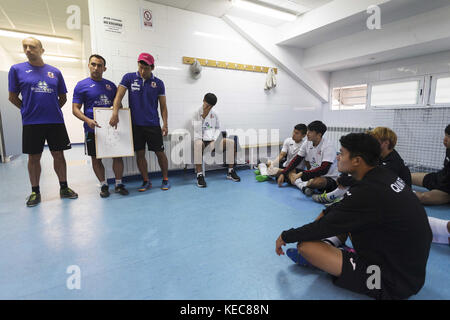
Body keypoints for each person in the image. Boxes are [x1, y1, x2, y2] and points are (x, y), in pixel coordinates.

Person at [275, 133, 432, 300]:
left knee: (306, 247)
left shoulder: (367, 192)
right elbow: (339, 212)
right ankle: (337, 250)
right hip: (407, 269)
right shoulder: (383, 175)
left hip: (389, 282)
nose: (338, 157)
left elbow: (324, 227)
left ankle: (332, 257)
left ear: (357, 160)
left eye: (342, 153)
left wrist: (286, 236)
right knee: (332, 213)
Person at [8, 37, 78, 207]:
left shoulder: (55, 72)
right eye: (25, 47)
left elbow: (63, 98)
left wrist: (52, 108)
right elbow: (12, 97)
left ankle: (64, 187)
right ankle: (35, 191)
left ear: (41, 50)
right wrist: (26, 110)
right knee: (34, 157)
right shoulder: (16, 70)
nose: (27, 50)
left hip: (55, 121)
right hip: (32, 123)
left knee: (59, 155)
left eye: (32, 47)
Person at [109, 53, 170, 191]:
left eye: (146, 68)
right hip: (135, 125)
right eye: (140, 67)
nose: (142, 71)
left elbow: (163, 106)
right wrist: (115, 113)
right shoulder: (129, 78)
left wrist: (165, 124)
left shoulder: (159, 83)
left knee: (160, 152)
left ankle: (165, 179)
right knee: (140, 154)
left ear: (152, 67)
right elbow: (119, 96)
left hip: (153, 124)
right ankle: (146, 181)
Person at [72, 54, 128, 198]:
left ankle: (119, 183)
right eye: (93, 64)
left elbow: (119, 106)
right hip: (92, 129)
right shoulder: (81, 85)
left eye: (99, 65)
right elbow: (75, 109)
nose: (96, 68)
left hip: (111, 127)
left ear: (104, 68)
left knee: (117, 156)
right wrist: (87, 120)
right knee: (96, 159)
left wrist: (119, 117)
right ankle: (103, 185)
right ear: (89, 65)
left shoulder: (111, 86)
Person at [313, 127, 411, 205]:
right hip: (381, 191)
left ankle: (334, 198)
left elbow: (372, 179)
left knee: (358, 180)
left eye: (375, 139)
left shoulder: (393, 162)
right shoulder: (380, 156)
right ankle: (336, 197)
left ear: (386, 143)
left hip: (392, 197)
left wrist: (345, 180)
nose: (371, 142)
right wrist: (343, 177)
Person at [277, 120, 339, 196]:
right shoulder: (307, 142)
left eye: (310, 131)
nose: (307, 133)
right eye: (308, 130)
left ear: (318, 135)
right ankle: (303, 186)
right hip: (312, 173)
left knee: (316, 182)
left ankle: (300, 184)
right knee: (290, 169)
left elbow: (324, 169)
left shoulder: (328, 146)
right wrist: (283, 173)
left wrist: (302, 174)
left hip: (327, 177)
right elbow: (297, 159)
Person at [193, 93, 241, 188]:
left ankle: (230, 172)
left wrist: (214, 140)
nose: (208, 107)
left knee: (231, 142)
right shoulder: (196, 113)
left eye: (211, 106)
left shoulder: (215, 113)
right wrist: (203, 116)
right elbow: (196, 129)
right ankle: (199, 175)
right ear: (203, 101)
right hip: (200, 140)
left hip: (212, 140)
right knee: (198, 144)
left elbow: (217, 128)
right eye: (207, 105)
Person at [411, 124, 450, 205]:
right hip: (440, 178)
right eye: (445, 135)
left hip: (446, 190)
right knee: (406, 175)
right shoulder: (448, 149)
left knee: (423, 198)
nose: (445, 140)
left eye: (448, 137)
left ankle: (398, 194)